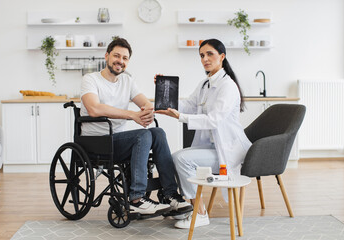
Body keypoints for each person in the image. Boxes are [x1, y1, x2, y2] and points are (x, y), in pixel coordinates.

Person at [80, 38, 192, 215]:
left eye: (125, 58)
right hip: (96, 142)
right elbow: (94, 109)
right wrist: (133, 115)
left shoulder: (127, 81)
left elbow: (147, 105)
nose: (120, 61)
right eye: (117, 56)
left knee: (157, 132)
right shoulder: (91, 79)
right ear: (107, 55)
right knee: (143, 135)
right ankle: (136, 199)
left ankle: (170, 194)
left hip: (118, 140)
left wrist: (157, 94)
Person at [155, 39, 252, 228]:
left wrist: (181, 117)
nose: (205, 59)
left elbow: (214, 119)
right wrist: (163, 90)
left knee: (181, 159)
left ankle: (199, 213)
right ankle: (188, 207)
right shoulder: (204, 84)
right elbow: (188, 105)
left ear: (222, 57)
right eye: (201, 55)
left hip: (228, 150)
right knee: (175, 157)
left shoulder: (228, 86)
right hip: (212, 147)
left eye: (209, 54)